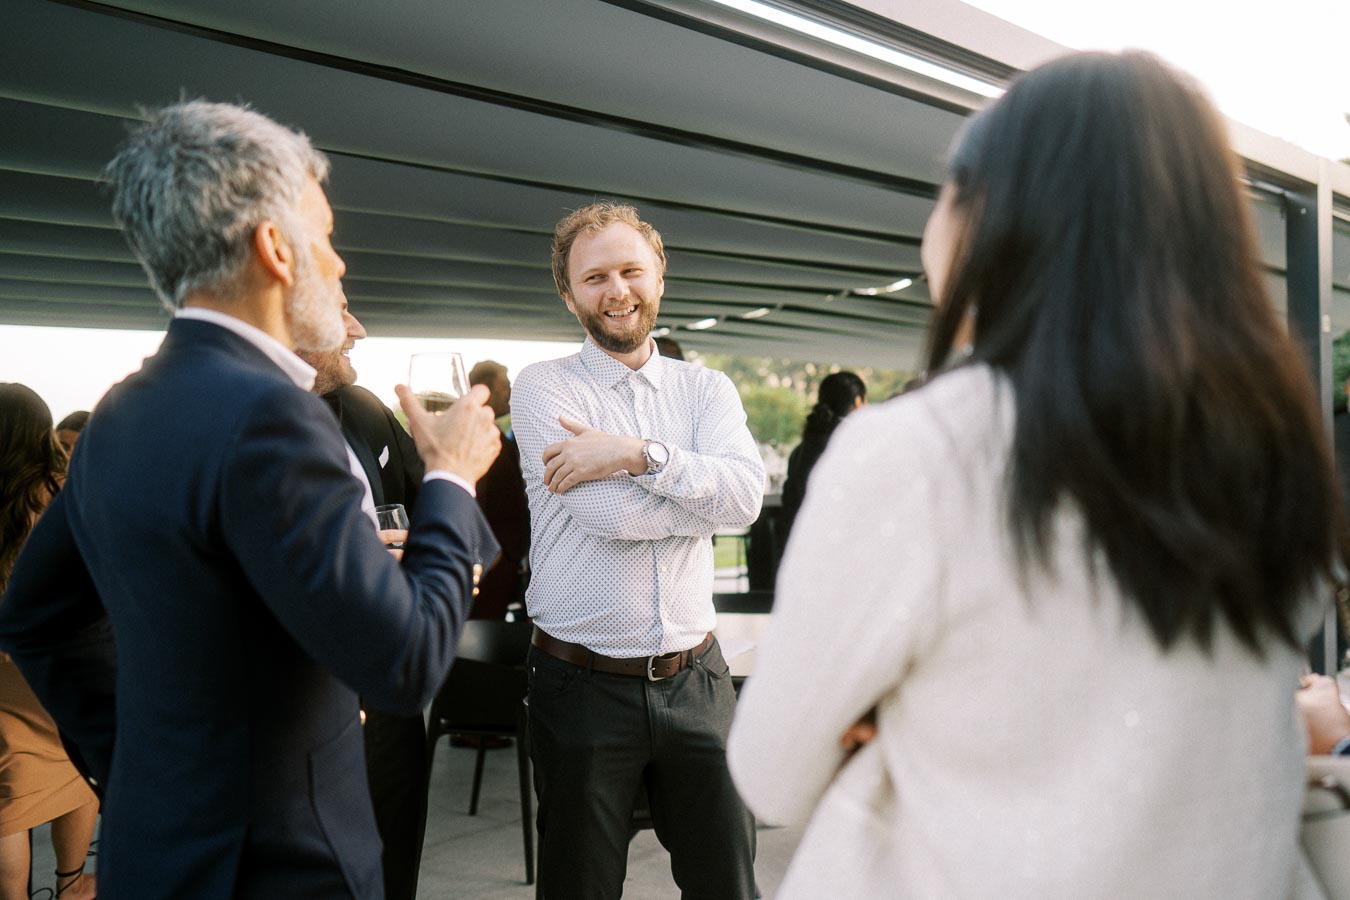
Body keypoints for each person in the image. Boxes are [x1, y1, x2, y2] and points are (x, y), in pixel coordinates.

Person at [727, 51, 1341, 899]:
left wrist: (898, 708)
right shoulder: (1272, 446)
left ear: (997, 215)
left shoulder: (919, 450)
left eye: (947, 188)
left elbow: (771, 770)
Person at [0, 101, 502, 899]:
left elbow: (35, 613)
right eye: (328, 237)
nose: (338, 266)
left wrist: (135, 765)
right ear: (275, 247)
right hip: (282, 869)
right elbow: (406, 665)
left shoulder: (123, 408)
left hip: (153, 856)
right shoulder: (273, 416)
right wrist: (450, 480)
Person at [511, 201, 764, 899]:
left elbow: (745, 500)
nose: (616, 291)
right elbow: (607, 516)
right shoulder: (544, 387)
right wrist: (693, 492)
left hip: (698, 680)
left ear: (660, 278)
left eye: (631, 271)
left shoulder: (707, 389)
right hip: (581, 685)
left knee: (729, 887)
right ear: (569, 294)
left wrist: (637, 454)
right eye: (595, 278)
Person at [296, 293, 429, 900]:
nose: (359, 329)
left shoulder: (366, 408)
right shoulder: (201, 414)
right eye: (341, 309)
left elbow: (427, 509)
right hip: (287, 709)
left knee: (391, 861)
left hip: (386, 692)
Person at [0, 384, 97, 900]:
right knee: (74, 764)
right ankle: (72, 882)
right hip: (50, 657)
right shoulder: (65, 491)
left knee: (7, 796)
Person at [467, 359, 529, 620]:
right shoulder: (475, 433)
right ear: (487, 389)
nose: (511, 393)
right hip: (493, 558)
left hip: (507, 554)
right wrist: (486, 553)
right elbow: (474, 495)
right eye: (506, 386)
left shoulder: (495, 431)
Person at [778, 370, 865, 548]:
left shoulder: (800, 451)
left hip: (799, 545)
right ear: (857, 402)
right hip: (839, 545)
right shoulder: (854, 446)